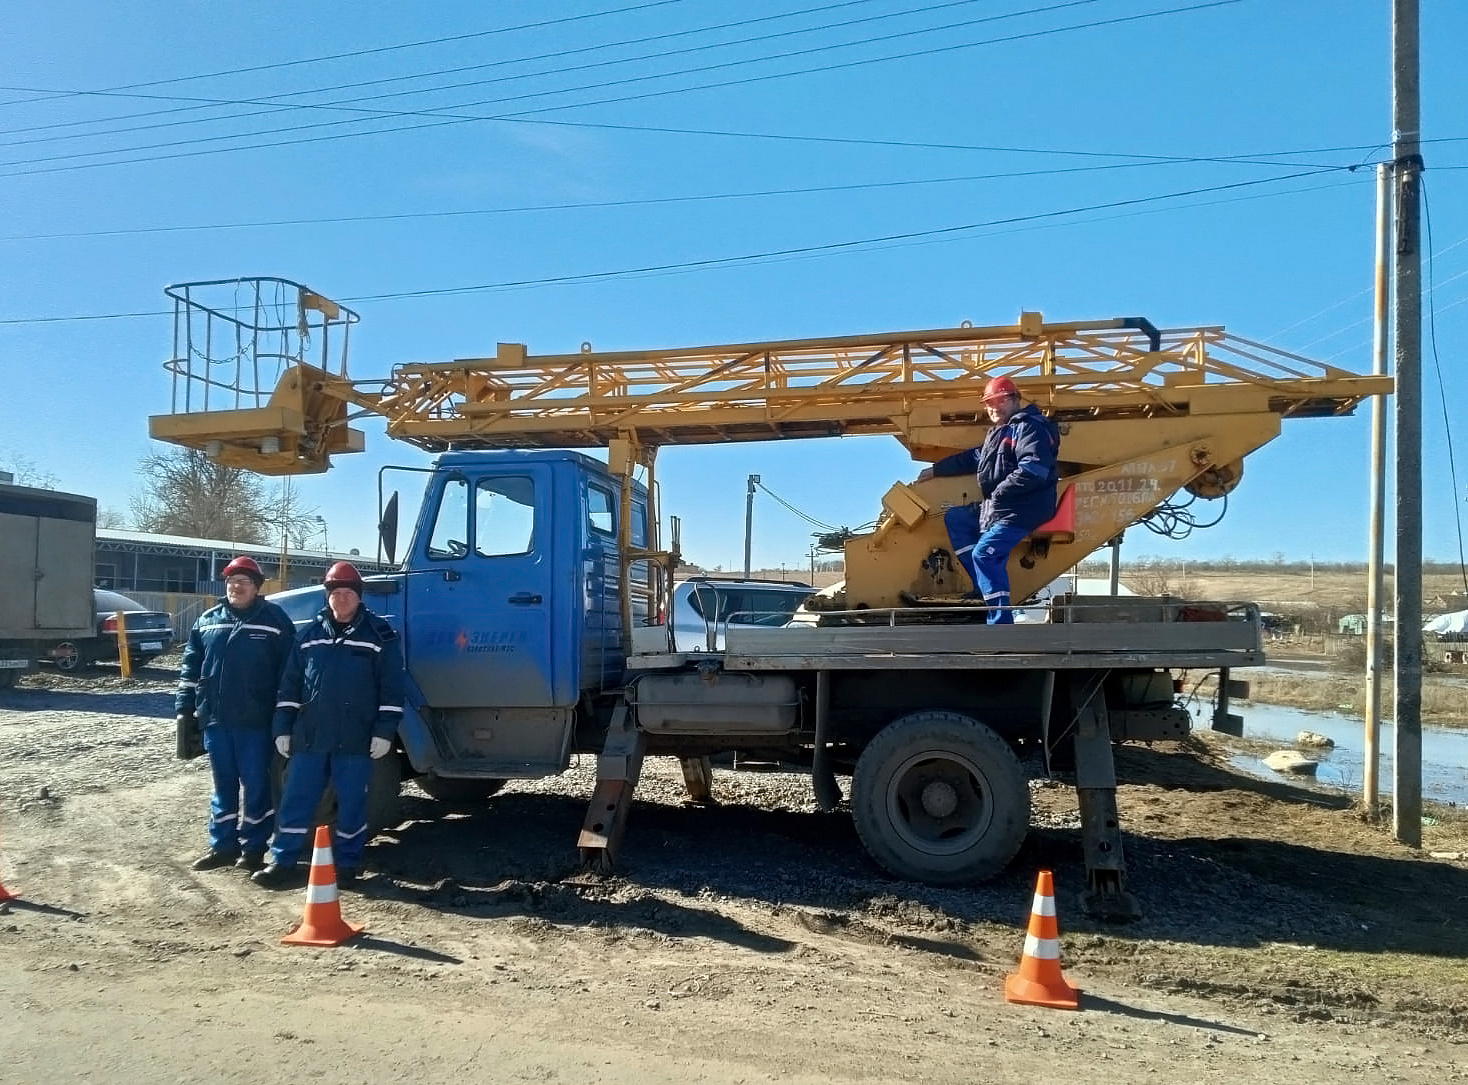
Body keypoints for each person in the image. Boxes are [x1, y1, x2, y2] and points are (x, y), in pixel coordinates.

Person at [253, 561, 405, 890]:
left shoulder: (380, 636)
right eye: (336, 593)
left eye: (348, 592)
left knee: (352, 804)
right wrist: (282, 727)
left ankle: (348, 864)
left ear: (359, 596)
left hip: (356, 738)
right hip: (310, 737)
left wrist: (384, 731)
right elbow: (290, 685)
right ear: (328, 597)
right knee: (296, 800)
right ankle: (283, 862)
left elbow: (393, 688)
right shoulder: (309, 636)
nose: (342, 599)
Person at [175, 555, 297, 872]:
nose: (236, 586)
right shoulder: (208, 620)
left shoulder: (275, 621)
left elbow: (290, 674)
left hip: (256, 723)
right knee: (223, 786)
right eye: (231, 581)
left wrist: (285, 717)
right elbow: (190, 668)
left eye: (243, 581)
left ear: (257, 587)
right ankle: (223, 847)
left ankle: (254, 848)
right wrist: (184, 710)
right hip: (216, 720)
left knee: (257, 787)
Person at [920, 376, 1060, 623]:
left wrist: (997, 495)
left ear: (1015, 399)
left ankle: (1000, 624)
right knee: (957, 518)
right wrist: (936, 469)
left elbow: (1033, 470)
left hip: (1023, 509)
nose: (993, 407)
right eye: (989, 403)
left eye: (1000, 400)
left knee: (984, 555)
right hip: (1001, 507)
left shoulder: (1030, 427)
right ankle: (983, 587)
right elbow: (974, 458)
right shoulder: (999, 433)